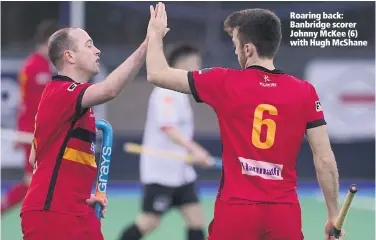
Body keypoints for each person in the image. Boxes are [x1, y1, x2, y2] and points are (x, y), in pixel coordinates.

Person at [145, 3, 341, 240]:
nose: (235, 51)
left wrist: (155, 34)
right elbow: (325, 159)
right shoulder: (305, 92)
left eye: (236, 45)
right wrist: (333, 215)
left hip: (235, 211)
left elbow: (156, 73)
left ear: (248, 49)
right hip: (283, 214)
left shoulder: (224, 82)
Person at [20, 18, 151, 239]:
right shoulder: (61, 92)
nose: (97, 50)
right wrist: (148, 44)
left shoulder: (71, 103)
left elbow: (37, 158)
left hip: (78, 210)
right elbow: (109, 90)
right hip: (51, 215)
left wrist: (78, 195)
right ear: (69, 56)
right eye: (89, 45)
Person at [118, 43, 210, 240]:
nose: (199, 68)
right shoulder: (166, 92)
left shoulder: (182, 93)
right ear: (182, 63)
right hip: (161, 172)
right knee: (149, 221)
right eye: (196, 62)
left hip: (182, 172)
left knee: (196, 218)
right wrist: (196, 150)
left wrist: (191, 154)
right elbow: (168, 129)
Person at [1, 20, 59, 215]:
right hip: (34, 134)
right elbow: (33, 107)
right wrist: (25, 133)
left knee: (41, 181)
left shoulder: (37, 64)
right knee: (33, 182)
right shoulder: (36, 67)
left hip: (35, 133)